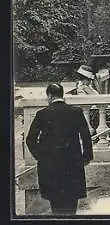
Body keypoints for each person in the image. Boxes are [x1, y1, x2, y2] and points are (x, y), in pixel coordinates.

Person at [26, 83, 93, 215]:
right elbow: (86, 136)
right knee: (71, 203)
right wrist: (86, 157)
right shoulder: (76, 112)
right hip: (72, 164)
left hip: (50, 165)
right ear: (62, 95)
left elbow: (30, 139)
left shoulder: (42, 114)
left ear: (49, 96)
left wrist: (40, 156)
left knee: (55, 205)